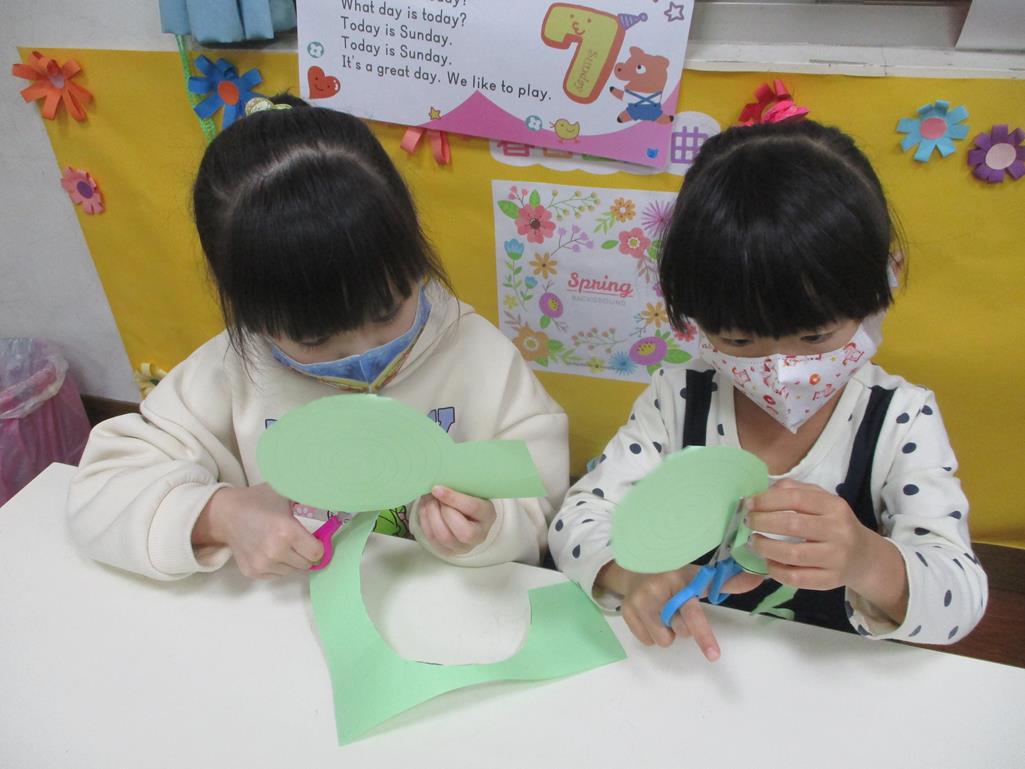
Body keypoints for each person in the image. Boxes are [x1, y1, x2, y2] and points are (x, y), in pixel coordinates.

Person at [68, 95, 568, 580]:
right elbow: (100, 494)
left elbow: (541, 496)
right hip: (284, 615)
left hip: (445, 612)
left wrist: (490, 529)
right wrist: (219, 515)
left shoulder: (477, 354)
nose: (363, 352)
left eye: (386, 311)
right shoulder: (229, 374)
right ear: (251, 314)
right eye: (315, 338)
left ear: (413, 252)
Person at [549, 119, 987, 661]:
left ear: (883, 282)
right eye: (738, 340)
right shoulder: (678, 399)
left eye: (815, 336)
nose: (781, 370)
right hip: (692, 668)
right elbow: (575, 521)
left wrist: (868, 560)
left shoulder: (900, 418)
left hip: (834, 682)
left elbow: (961, 598)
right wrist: (630, 573)